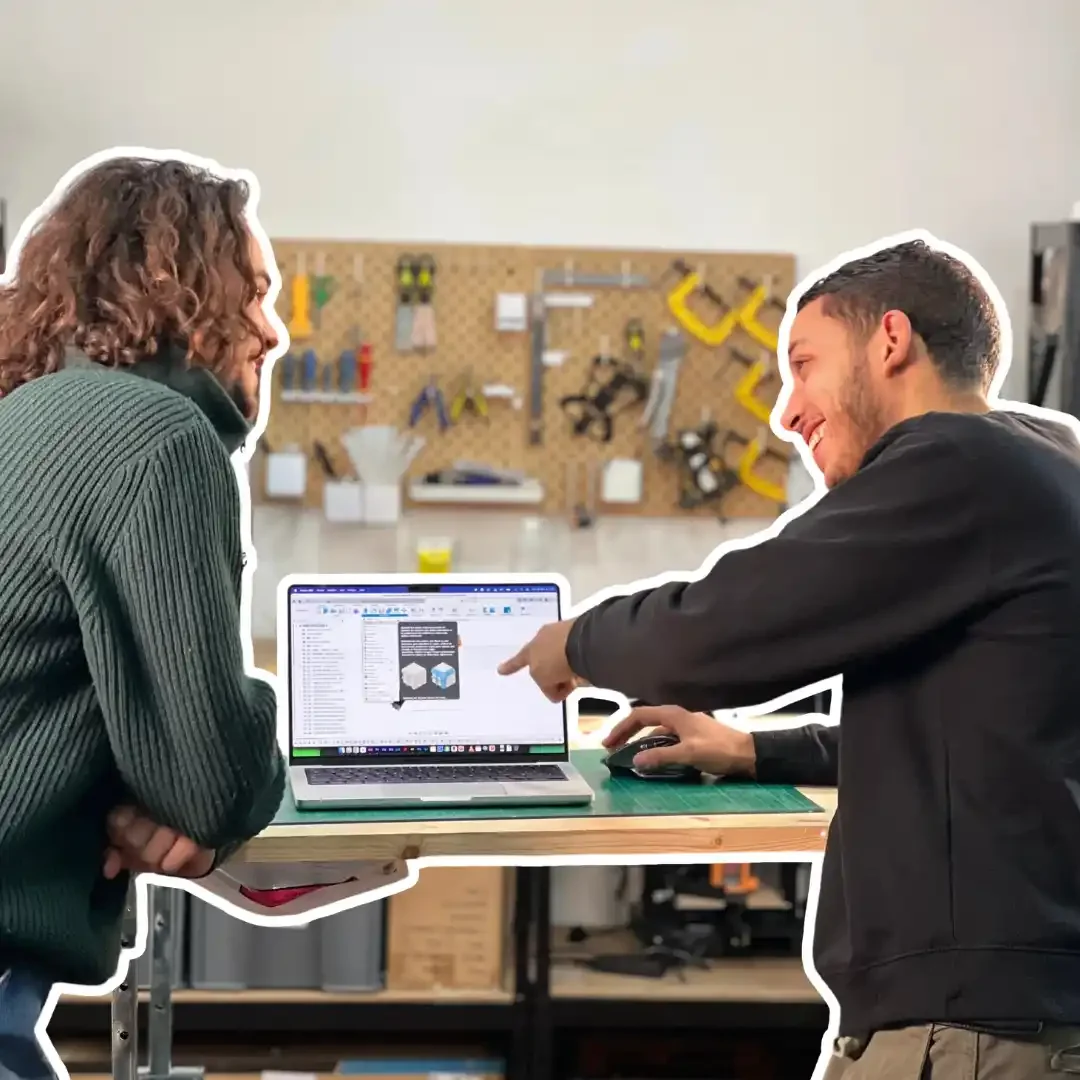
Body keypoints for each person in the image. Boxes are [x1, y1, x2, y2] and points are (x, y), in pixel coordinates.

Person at [500, 239, 1080, 1078]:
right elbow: (989, 742)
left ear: (891, 341)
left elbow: (725, 625)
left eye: (804, 365)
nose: (786, 411)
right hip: (1010, 1015)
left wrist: (577, 642)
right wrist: (752, 748)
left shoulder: (955, 464)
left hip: (974, 1038)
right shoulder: (1050, 459)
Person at [0, 155, 286, 1079]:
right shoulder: (156, 439)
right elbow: (213, 786)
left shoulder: (32, 414)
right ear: (181, 294)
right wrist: (238, 735)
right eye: (255, 294)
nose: (272, 331)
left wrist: (139, 790)